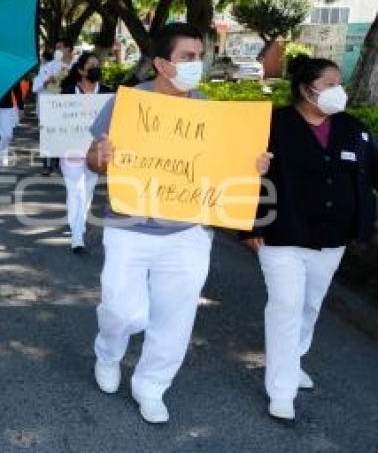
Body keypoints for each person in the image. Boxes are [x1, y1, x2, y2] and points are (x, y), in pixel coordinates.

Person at [86, 23, 272, 424]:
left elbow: (227, 170)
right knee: (121, 309)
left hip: (187, 233)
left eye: (198, 56)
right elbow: (91, 159)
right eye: (187, 57)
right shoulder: (128, 103)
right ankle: (108, 351)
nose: (196, 64)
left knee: (176, 317)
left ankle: (151, 386)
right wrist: (101, 155)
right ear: (160, 63)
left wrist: (252, 165)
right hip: (128, 228)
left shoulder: (209, 110)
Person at [243, 55, 377, 421]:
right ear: (306, 88)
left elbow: (369, 174)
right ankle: (281, 389)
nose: (339, 90)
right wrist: (250, 226)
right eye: (330, 83)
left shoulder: (353, 128)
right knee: (286, 305)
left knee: (309, 305)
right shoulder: (274, 124)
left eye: (339, 83)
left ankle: (293, 359)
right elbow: (242, 172)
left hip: (332, 237)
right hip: (281, 232)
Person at [59, 52, 111, 253]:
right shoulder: (69, 91)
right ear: (81, 70)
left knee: (87, 192)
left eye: (98, 64)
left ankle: (76, 223)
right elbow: (58, 120)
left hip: (94, 152)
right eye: (91, 65)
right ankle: (77, 236)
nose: (96, 68)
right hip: (71, 151)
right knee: (76, 190)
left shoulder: (107, 93)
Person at [34, 38, 75, 176]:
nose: (57, 50)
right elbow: (35, 86)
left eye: (60, 47)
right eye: (56, 48)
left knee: (64, 134)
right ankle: (47, 165)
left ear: (69, 49)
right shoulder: (48, 67)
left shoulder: (76, 66)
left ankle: (60, 163)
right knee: (47, 134)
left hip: (69, 107)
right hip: (49, 105)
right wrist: (46, 81)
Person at [0, 80, 24, 172]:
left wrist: (21, 107)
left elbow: (17, 88)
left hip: (7, 108)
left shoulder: (11, 70)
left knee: (7, 135)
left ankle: (0, 152)